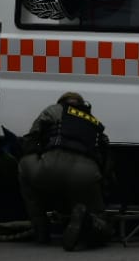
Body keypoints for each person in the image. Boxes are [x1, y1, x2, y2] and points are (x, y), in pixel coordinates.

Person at [18, 91, 113, 252]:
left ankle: (41, 230)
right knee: (101, 220)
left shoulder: (54, 110)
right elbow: (107, 162)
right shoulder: (95, 123)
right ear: (82, 105)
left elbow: (30, 140)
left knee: (23, 166)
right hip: (86, 175)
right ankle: (88, 221)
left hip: (50, 168)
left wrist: (37, 155)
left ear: (61, 102)